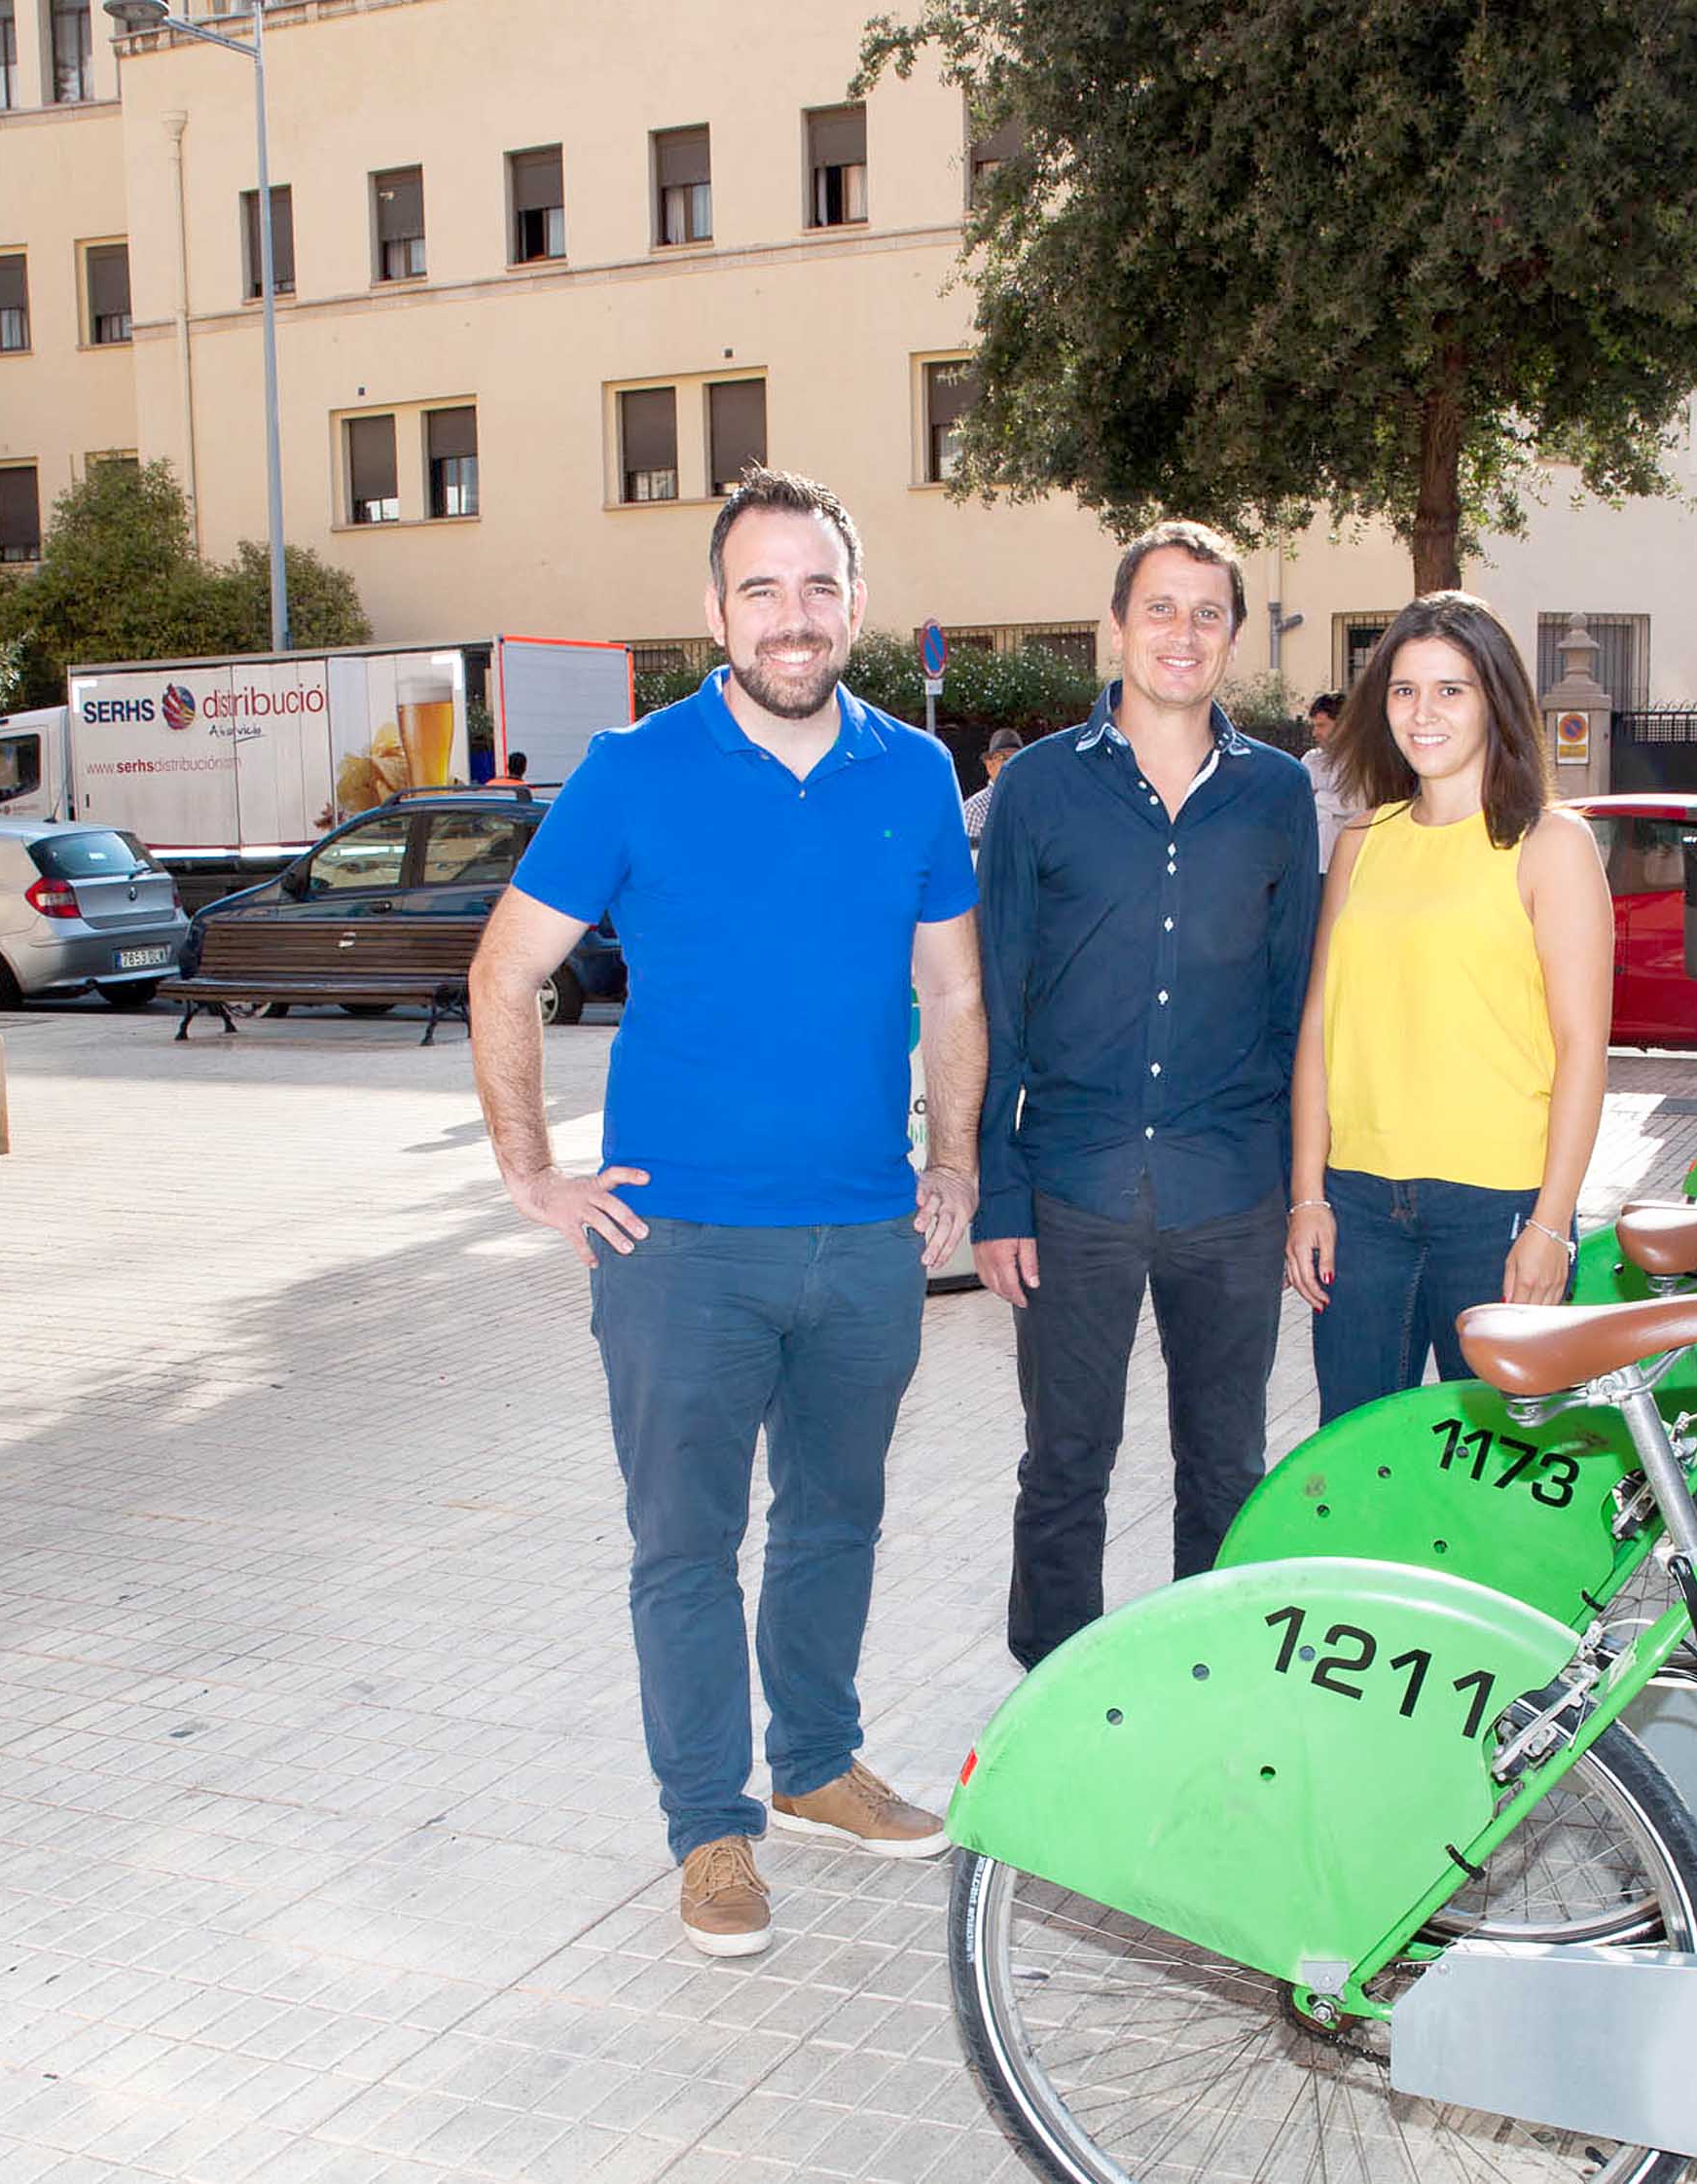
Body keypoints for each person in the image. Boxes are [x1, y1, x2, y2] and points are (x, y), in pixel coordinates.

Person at [468, 466, 984, 1961]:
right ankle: (710, 1828)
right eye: (761, 589)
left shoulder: (912, 775)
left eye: (818, 586)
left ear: (857, 606)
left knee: (836, 1516)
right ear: (716, 612)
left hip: (864, 1239)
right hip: (676, 1244)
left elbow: (949, 985)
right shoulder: (634, 771)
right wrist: (528, 1172)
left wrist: (949, 1157)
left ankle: (815, 1763)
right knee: (683, 1543)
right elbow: (505, 971)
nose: (792, 616)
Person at [973, 522, 1320, 1669]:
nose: (1181, 633)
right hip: (1069, 1185)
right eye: (1159, 609)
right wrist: (996, 1195)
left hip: (1227, 1189)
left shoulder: (1275, 797)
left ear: (1232, 636)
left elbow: (1292, 1009)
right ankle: (1053, 1698)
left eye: (1206, 612)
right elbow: (994, 1000)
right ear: (1116, 627)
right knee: (1065, 1457)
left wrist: (1291, 1191)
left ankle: (1202, 1687)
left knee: (1225, 1464)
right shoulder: (1033, 791)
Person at [1284, 591, 1612, 1421]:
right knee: (1360, 1455)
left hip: (1496, 1206)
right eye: (1403, 690)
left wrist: (1549, 1225)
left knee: (1499, 1471)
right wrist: (1306, 1195)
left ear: (1493, 699)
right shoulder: (1361, 840)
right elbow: (1320, 1024)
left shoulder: (1551, 845)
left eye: (1449, 689)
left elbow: (1582, 1049)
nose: (1421, 713)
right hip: (1358, 1204)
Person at [1298, 691, 1356, 869]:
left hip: (1349, 863)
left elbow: (1355, 803)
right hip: (1312, 862)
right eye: (1314, 726)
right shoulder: (1311, 760)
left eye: (1321, 726)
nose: (1315, 733)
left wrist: (1317, 798)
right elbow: (1298, 802)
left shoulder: (1362, 761)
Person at [960, 726, 1025, 839]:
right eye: (1002, 758)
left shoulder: (1033, 804)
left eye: (1017, 757)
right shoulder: (974, 809)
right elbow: (969, 855)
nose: (1010, 764)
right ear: (989, 765)